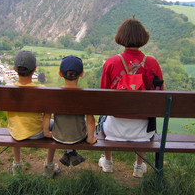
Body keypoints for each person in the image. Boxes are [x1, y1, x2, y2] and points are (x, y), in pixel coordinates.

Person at [98, 18, 164, 178]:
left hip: (113, 129)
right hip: (143, 131)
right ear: (143, 38)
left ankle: (107, 162)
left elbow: (102, 96)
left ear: (121, 37)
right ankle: (139, 167)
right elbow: (160, 95)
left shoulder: (111, 62)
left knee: (102, 115)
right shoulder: (152, 63)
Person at [7, 50, 58, 177]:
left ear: (14, 69)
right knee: (56, 125)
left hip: (16, 132)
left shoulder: (8, 90)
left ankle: (17, 165)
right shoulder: (41, 90)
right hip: (37, 133)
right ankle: (49, 166)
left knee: (16, 121)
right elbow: (47, 114)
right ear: (35, 69)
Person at [43, 55, 97, 170]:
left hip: (58, 137)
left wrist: (47, 133)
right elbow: (91, 121)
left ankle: (56, 161)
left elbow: (46, 116)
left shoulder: (53, 94)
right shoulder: (86, 96)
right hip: (79, 137)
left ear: (60, 73)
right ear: (82, 73)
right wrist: (90, 138)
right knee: (76, 125)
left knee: (56, 123)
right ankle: (71, 153)